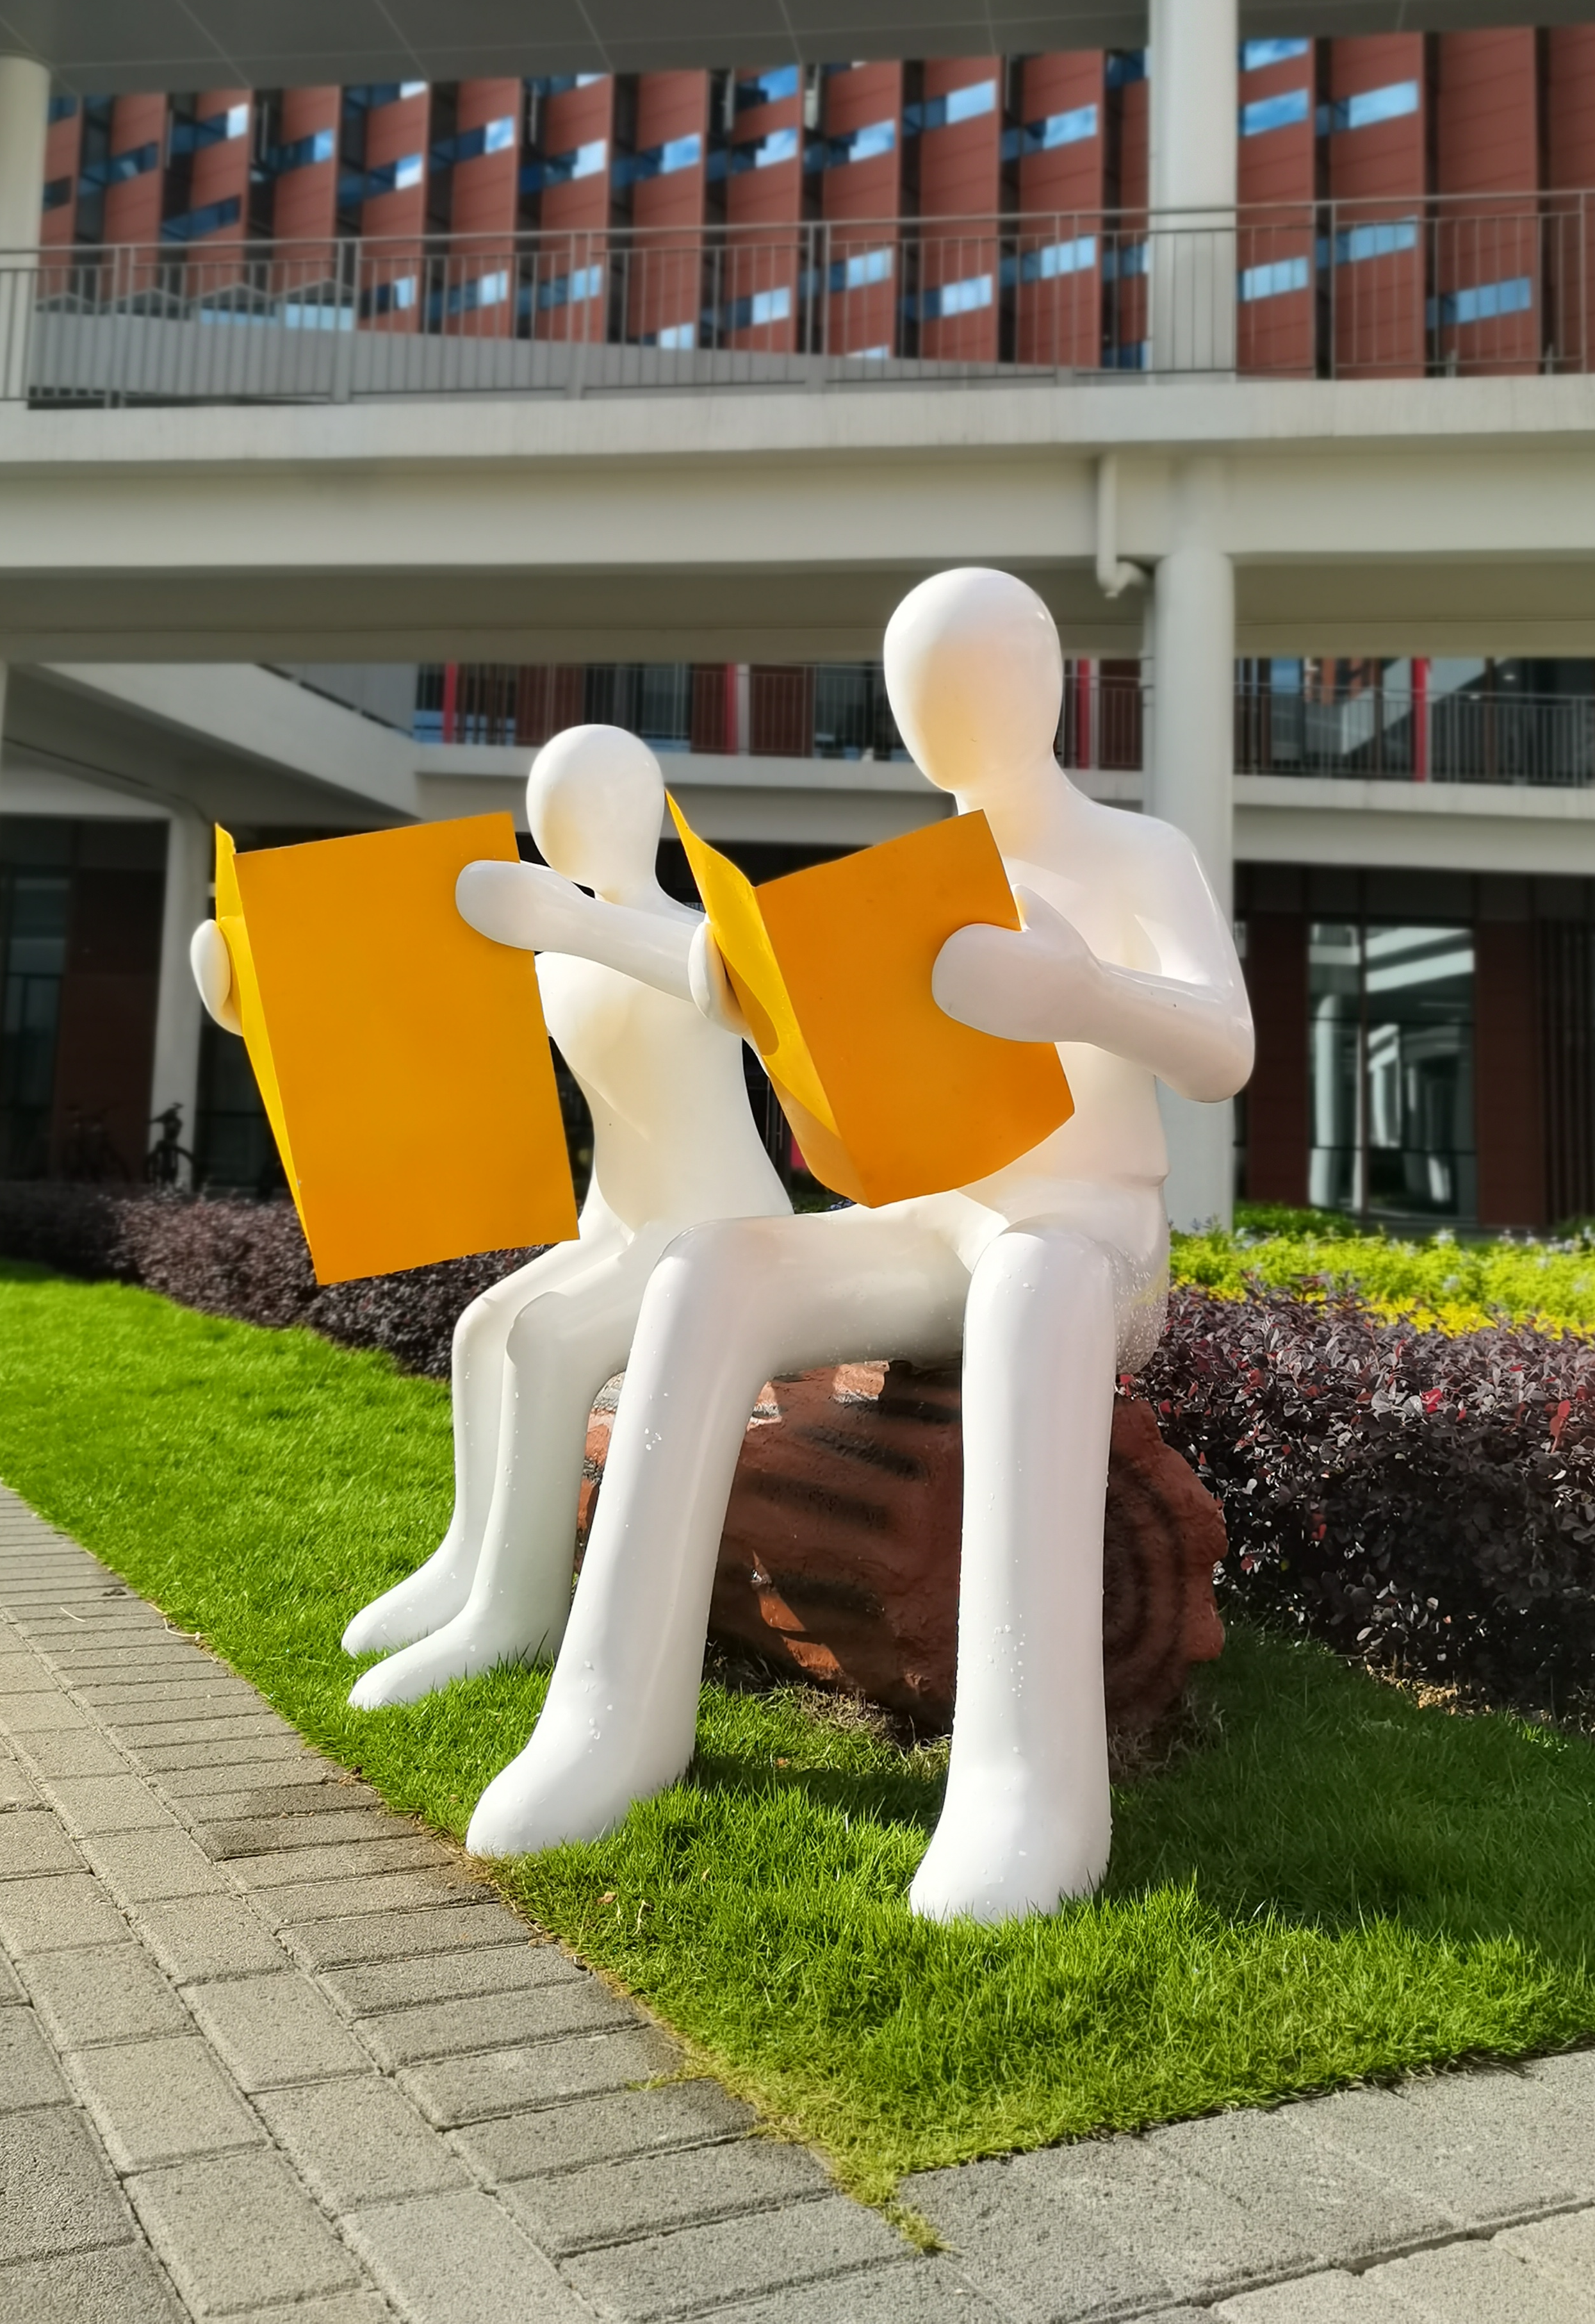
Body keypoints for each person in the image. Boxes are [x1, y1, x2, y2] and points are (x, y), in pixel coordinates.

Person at [465, 567, 1253, 1923]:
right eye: (917, 691)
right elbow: (783, 1021)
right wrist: (626, 943)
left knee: (1033, 1284)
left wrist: (1082, 991)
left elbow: (1224, 1049)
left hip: (1089, 1227)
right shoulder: (904, 889)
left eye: (972, 678)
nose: (943, 714)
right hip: (937, 1218)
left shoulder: (1136, 854)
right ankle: (610, 1713)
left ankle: (1029, 1782)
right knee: (713, 1269)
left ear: (1048, 683)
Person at [190, 723, 787, 1704]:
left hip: (719, 1227)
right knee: (484, 1327)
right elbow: (394, 1018)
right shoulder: (552, 956)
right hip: (621, 1222)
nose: (567, 828)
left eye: (589, 803)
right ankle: (470, 1558)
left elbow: (739, 980)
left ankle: (522, 1610)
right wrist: (251, 995)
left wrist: (572, 921)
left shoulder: (688, 935)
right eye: (551, 811)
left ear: (646, 810)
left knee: (551, 1340)